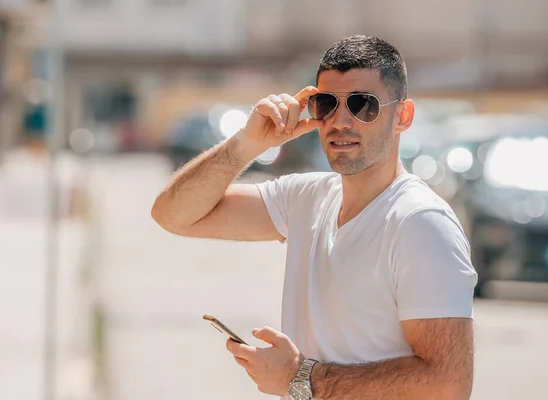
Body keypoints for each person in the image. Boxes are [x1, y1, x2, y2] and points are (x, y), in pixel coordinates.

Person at [151, 35, 478, 400]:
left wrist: (302, 379)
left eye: (362, 105)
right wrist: (246, 144)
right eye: (325, 104)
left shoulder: (420, 223)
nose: (340, 121)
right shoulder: (306, 198)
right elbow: (173, 215)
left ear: (402, 117)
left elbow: (448, 384)